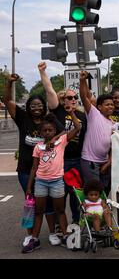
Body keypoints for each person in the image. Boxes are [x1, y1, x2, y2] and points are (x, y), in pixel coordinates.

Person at [3, 72, 61, 248]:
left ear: (43, 107)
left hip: (47, 172)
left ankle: (52, 233)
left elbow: (62, 134)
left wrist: (51, 142)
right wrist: (9, 83)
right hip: (26, 170)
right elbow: (6, 100)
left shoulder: (49, 121)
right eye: (33, 105)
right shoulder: (23, 119)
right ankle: (30, 236)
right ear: (28, 107)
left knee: (49, 204)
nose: (36, 108)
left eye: (39, 105)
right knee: (31, 204)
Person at [23, 112, 81, 253]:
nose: (47, 132)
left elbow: (78, 127)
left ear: (54, 131)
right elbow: (34, 167)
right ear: (41, 132)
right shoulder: (38, 147)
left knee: (60, 210)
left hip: (57, 182)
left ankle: (66, 237)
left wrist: (71, 112)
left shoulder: (61, 142)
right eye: (45, 130)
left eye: (50, 130)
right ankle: (34, 240)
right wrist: (29, 187)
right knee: (39, 211)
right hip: (41, 182)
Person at [38, 61, 87, 224]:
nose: (73, 100)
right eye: (69, 97)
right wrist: (43, 73)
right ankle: (60, 225)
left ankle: (75, 222)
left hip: (77, 161)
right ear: (62, 99)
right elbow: (49, 90)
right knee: (59, 195)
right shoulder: (57, 110)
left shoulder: (82, 116)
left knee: (76, 195)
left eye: (75, 97)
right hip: (59, 161)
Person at [79, 70, 115, 196]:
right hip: (90, 162)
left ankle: (101, 214)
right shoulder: (94, 114)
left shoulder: (113, 124)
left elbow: (112, 147)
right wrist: (82, 81)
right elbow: (84, 97)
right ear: (99, 107)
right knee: (93, 194)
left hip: (104, 163)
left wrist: (108, 163)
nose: (110, 106)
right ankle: (90, 215)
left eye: (112, 104)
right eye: (107, 105)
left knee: (103, 193)